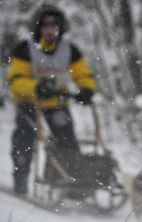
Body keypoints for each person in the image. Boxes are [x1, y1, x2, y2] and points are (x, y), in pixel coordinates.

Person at [7, 4, 96, 196]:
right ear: (39, 28)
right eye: (46, 26)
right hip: (29, 103)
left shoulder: (69, 50)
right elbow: (16, 79)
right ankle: (21, 177)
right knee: (24, 139)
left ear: (60, 28)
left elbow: (83, 74)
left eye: (54, 26)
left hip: (57, 104)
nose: (50, 31)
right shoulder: (25, 49)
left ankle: (71, 181)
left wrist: (87, 90)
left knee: (68, 142)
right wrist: (35, 88)